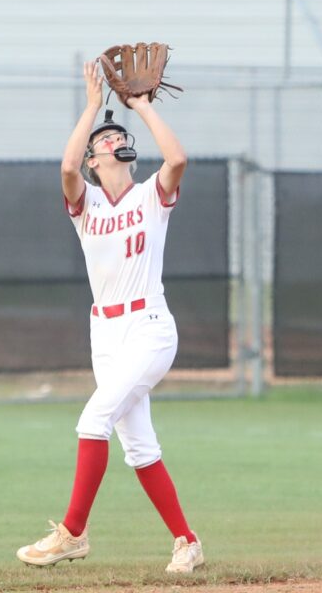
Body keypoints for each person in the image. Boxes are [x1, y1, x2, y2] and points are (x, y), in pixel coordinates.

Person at [16, 59, 204, 575]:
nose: (112, 137)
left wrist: (141, 107)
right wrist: (92, 108)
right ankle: (187, 541)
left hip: (149, 328)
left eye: (117, 134)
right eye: (105, 137)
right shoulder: (87, 201)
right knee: (139, 447)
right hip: (105, 331)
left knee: (93, 419)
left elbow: (179, 158)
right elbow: (67, 171)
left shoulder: (150, 197)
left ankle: (72, 534)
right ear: (97, 159)